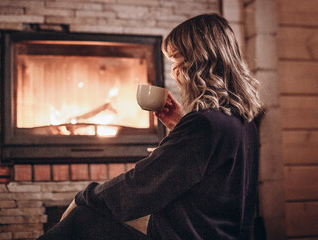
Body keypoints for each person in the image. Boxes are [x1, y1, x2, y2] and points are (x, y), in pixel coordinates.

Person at [37, 13, 262, 240]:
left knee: (83, 220)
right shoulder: (241, 121)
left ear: (195, 62)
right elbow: (208, 173)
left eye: (176, 59)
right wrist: (180, 125)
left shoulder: (204, 125)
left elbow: (141, 187)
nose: (175, 71)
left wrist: (84, 197)